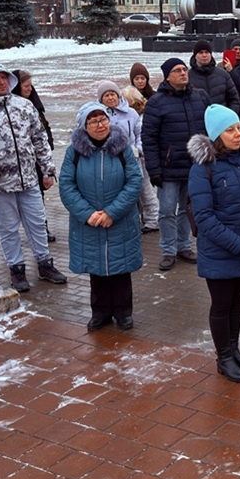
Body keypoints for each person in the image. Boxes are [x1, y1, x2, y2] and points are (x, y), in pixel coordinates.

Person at [0, 62, 68, 292]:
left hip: (29, 179)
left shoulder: (23, 105)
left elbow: (40, 139)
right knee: (8, 228)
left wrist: (48, 171)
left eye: (5, 79)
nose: (1, 83)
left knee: (37, 223)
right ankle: (16, 269)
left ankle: (44, 263)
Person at [187, 105, 240, 383]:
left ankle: (234, 350)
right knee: (222, 305)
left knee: (238, 302)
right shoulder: (202, 169)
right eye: (230, 130)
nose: (238, 134)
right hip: (221, 250)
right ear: (215, 135)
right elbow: (205, 218)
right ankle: (223, 357)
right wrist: (239, 245)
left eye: (238, 128)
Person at [59, 101, 143, 331]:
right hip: (90, 223)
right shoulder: (74, 153)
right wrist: (88, 214)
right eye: (93, 121)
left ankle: (124, 312)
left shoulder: (122, 148)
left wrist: (112, 212)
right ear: (84, 126)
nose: (100, 125)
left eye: (103, 119)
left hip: (120, 221)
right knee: (97, 270)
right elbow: (66, 186)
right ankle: (100, 312)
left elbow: (134, 181)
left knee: (121, 269)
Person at [142, 57, 208, 271]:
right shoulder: (156, 102)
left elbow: (207, 131)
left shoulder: (198, 97)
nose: (183, 73)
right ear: (167, 76)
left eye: (184, 69)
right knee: (167, 210)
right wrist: (154, 169)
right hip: (168, 168)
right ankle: (168, 250)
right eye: (177, 70)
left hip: (193, 166)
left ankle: (184, 246)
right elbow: (149, 138)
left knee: (186, 210)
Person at [12, 69, 57, 244]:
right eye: (26, 86)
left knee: (38, 199)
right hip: (19, 165)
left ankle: (41, 228)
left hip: (37, 162)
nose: (30, 89)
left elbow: (44, 129)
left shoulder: (34, 106)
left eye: (31, 86)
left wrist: (48, 149)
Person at [120, 85, 159, 233]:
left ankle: (153, 219)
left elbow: (141, 137)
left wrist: (139, 151)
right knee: (141, 190)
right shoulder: (126, 115)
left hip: (140, 157)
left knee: (145, 189)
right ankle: (146, 218)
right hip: (134, 156)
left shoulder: (139, 116)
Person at [188, 40, 240, 111]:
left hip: (221, 118)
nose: (204, 55)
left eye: (207, 52)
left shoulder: (223, 74)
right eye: (201, 52)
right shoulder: (187, 76)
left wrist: (229, 116)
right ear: (195, 55)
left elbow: (234, 99)